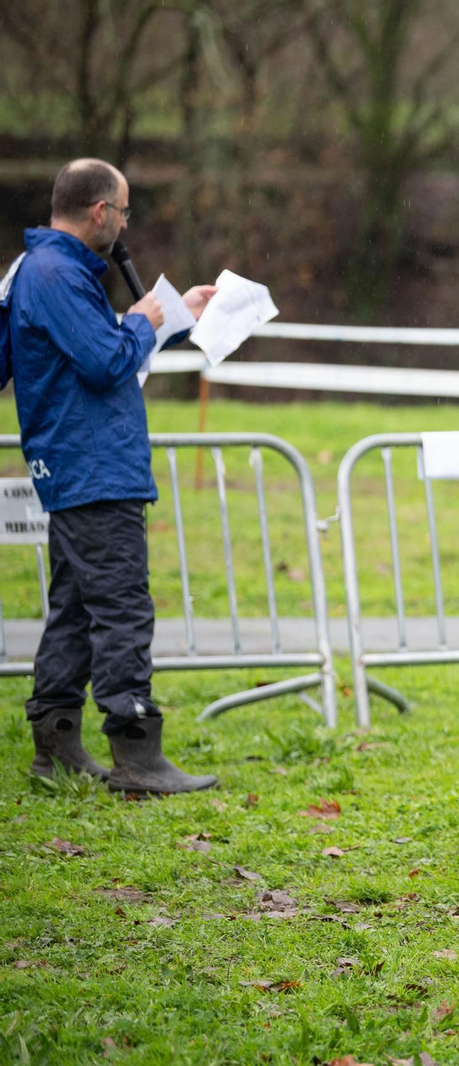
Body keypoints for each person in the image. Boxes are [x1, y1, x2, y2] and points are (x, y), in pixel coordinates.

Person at [4, 159, 217, 794]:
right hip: (94, 465)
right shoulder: (56, 275)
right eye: (123, 212)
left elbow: (100, 348)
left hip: (79, 464)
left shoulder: (40, 271)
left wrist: (175, 313)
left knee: (74, 607)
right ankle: (137, 751)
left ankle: (56, 742)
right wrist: (144, 320)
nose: (124, 224)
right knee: (122, 606)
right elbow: (104, 362)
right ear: (101, 212)